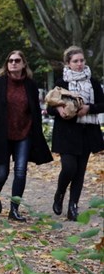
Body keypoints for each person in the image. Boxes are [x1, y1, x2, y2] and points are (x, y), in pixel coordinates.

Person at [0, 50, 52, 222]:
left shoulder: (30, 85)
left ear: (23, 64)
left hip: (24, 132)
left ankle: (14, 209)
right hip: (2, 133)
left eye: (17, 60)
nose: (13, 63)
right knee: (1, 174)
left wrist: (37, 130)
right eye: (10, 60)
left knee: (20, 171)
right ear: (6, 64)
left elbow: (35, 109)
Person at [48, 46, 104, 221]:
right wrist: (59, 109)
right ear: (68, 63)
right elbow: (49, 107)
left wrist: (88, 108)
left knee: (80, 172)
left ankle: (73, 206)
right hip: (66, 132)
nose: (79, 64)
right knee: (69, 168)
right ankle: (59, 193)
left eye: (81, 60)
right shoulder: (61, 82)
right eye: (75, 61)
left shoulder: (93, 83)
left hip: (87, 132)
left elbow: (102, 105)